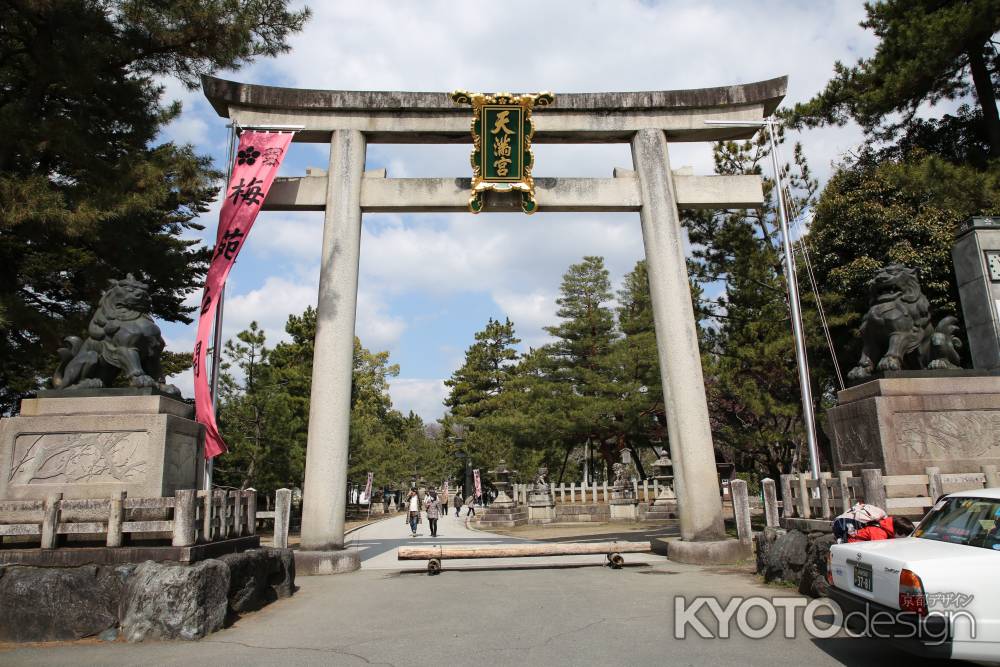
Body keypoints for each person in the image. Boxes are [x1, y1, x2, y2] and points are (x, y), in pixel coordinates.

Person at [848, 515, 915, 542]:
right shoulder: (880, 533)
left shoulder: (884, 525)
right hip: (853, 546)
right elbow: (879, 550)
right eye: (905, 536)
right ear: (899, 532)